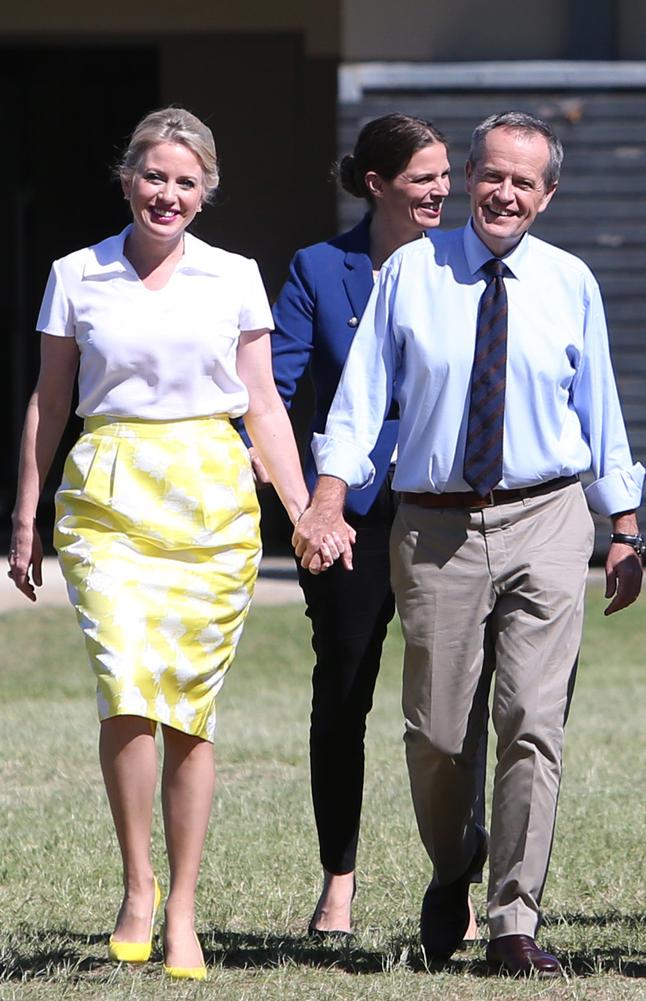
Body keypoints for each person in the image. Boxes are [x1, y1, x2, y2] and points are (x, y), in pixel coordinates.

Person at [294, 111, 645, 975]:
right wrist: (329, 494)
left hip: (548, 517)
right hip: (436, 525)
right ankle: (457, 862)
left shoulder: (570, 282)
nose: (505, 193)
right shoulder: (413, 272)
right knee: (437, 733)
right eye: (492, 174)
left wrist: (626, 526)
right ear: (470, 179)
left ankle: (514, 920)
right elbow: (360, 398)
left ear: (548, 195)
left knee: (533, 719)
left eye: (525, 182)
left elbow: (598, 410)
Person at [7, 107, 328, 981]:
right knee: (124, 683)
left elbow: (262, 404)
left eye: (186, 182)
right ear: (127, 180)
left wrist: (302, 509)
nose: (168, 194)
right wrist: (26, 509)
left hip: (210, 496)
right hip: (109, 489)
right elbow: (50, 400)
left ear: (205, 192)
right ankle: (136, 887)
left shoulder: (236, 278)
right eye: (155, 177)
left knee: (187, 702)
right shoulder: (77, 274)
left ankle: (182, 906)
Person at [248, 113, 487, 937]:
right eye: (423, 177)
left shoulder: (463, 270)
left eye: (445, 176)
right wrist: (301, 501)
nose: (441, 191)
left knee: (450, 707)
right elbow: (272, 391)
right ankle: (338, 881)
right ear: (379, 183)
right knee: (343, 694)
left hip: (439, 511)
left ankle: (453, 871)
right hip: (344, 518)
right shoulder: (319, 268)